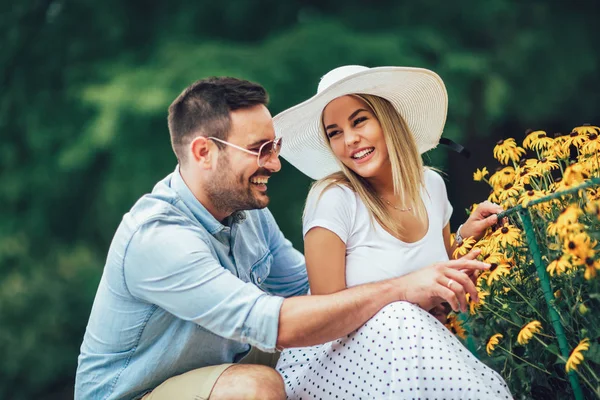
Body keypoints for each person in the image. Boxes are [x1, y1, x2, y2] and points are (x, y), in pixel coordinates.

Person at [74, 76, 492, 400]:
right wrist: (403, 288)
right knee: (256, 389)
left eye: (274, 146)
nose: (275, 164)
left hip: (229, 362)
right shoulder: (160, 239)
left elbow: (317, 297)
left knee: (374, 327)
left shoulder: (246, 214)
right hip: (142, 392)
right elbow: (280, 324)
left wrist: (445, 259)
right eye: (260, 149)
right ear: (203, 152)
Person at [273, 65, 513, 399]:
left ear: (389, 118)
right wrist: (401, 300)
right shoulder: (333, 199)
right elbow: (324, 319)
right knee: (399, 316)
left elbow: (434, 274)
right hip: (334, 362)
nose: (350, 139)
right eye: (334, 132)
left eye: (359, 121)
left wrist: (463, 239)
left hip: (417, 352)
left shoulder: (431, 185)